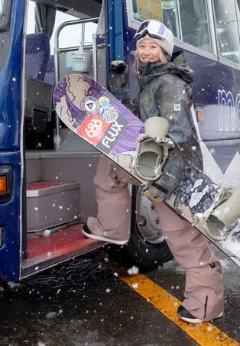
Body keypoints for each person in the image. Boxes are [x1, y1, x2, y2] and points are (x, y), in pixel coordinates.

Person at [82, 19, 224, 324]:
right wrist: (119, 83)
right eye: (142, 46)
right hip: (153, 161)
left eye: (153, 47)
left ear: (165, 51)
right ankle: (113, 227)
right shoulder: (151, 81)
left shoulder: (170, 83)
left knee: (182, 237)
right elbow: (130, 121)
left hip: (176, 169)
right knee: (111, 168)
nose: (146, 52)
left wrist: (164, 184)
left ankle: (207, 302)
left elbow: (179, 138)